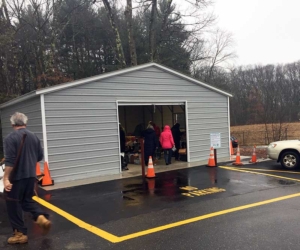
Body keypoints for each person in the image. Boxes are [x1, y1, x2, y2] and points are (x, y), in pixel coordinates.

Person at [3, 112, 51, 244]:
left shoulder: (10, 138)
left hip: (16, 178)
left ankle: (19, 235)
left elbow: (10, 161)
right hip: (30, 176)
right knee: (26, 201)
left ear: (12, 124)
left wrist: (6, 178)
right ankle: (41, 218)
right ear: (25, 123)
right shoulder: (34, 137)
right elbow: (39, 157)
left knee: (12, 203)